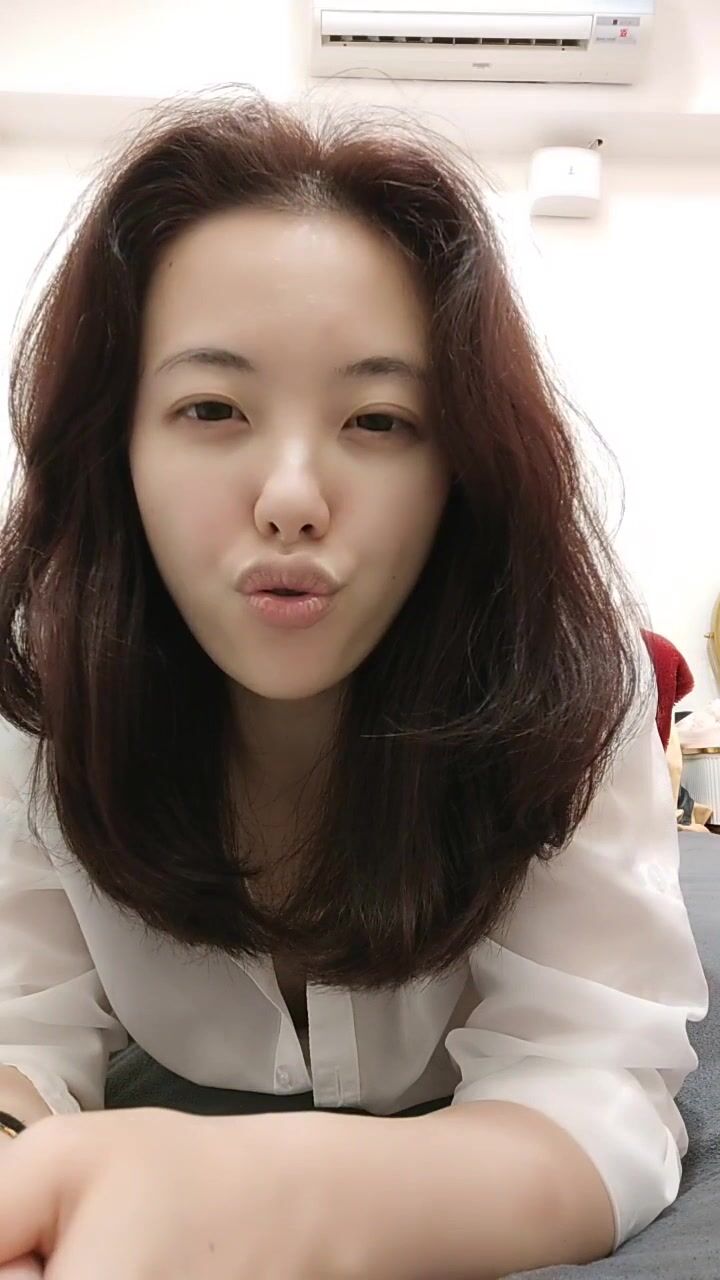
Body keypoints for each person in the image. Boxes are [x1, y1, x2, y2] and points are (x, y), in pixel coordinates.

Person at [0, 86, 708, 1279]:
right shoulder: (41, 677)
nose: (291, 496)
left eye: (379, 420)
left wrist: (278, 1198)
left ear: (460, 464)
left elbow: (596, 1082)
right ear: (116, 446)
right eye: (211, 407)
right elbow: (20, 1026)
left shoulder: (570, 682)